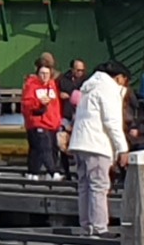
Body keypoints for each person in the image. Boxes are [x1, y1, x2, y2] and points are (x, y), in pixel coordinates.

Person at [66, 59, 131, 235]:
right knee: (99, 186)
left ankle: (86, 226)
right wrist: (122, 148)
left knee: (84, 185)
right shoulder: (108, 89)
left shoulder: (89, 87)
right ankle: (100, 228)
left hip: (79, 143)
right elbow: (112, 122)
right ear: (119, 77)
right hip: (96, 143)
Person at [20, 53, 66, 178]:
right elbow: (26, 103)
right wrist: (39, 103)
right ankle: (53, 171)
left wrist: (58, 121)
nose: (44, 76)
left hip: (52, 122)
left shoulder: (52, 84)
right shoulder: (31, 85)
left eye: (47, 73)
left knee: (43, 148)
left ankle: (33, 171)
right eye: (42, 73)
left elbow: (56, 105)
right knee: (44, 147)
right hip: (38, 121)